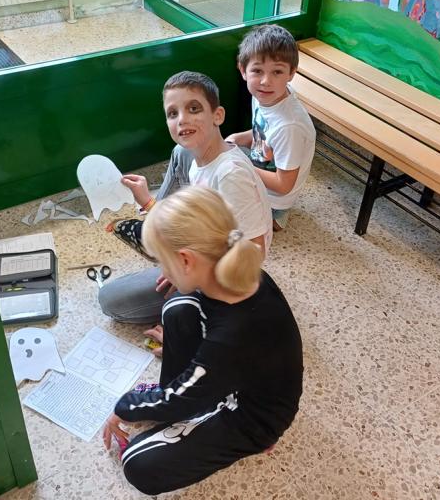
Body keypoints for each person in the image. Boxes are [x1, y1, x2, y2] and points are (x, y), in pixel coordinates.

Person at [102, 187, 303, 495]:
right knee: (178, 307)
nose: (162, 270)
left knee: (136, 463)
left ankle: (247, 439)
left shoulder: (230, 340)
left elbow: (180, 395)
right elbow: (220, 346)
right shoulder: (241, 276)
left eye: (163, 262)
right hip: (234, 375)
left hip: (252, 416)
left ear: (186, 260)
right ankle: (189, 399)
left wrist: (125, 407)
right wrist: (190, 350)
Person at [98, 71, 272, 323]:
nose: (182, 119)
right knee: (181, 151)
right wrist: (149, 202)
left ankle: (157, 234)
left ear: (218, 115)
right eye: (172, 113)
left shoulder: (231, 176)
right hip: (202, 246)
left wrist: (190, 275)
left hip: (224, 272)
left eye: (193, 109)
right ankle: (156, 227)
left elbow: (255, 254)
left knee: (110, 301)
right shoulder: (198, 157)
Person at [225, 24, 316, 231]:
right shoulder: (266, 96)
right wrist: (237, 138)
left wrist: (242, 167)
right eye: (257, 71)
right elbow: (263, 133)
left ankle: (273, 219)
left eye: (277, 72)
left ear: (291, 73)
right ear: (243, 70)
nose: (266, 81)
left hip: (274, 201)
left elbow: (283, 185)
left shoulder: (290, 126)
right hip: (261, 167)